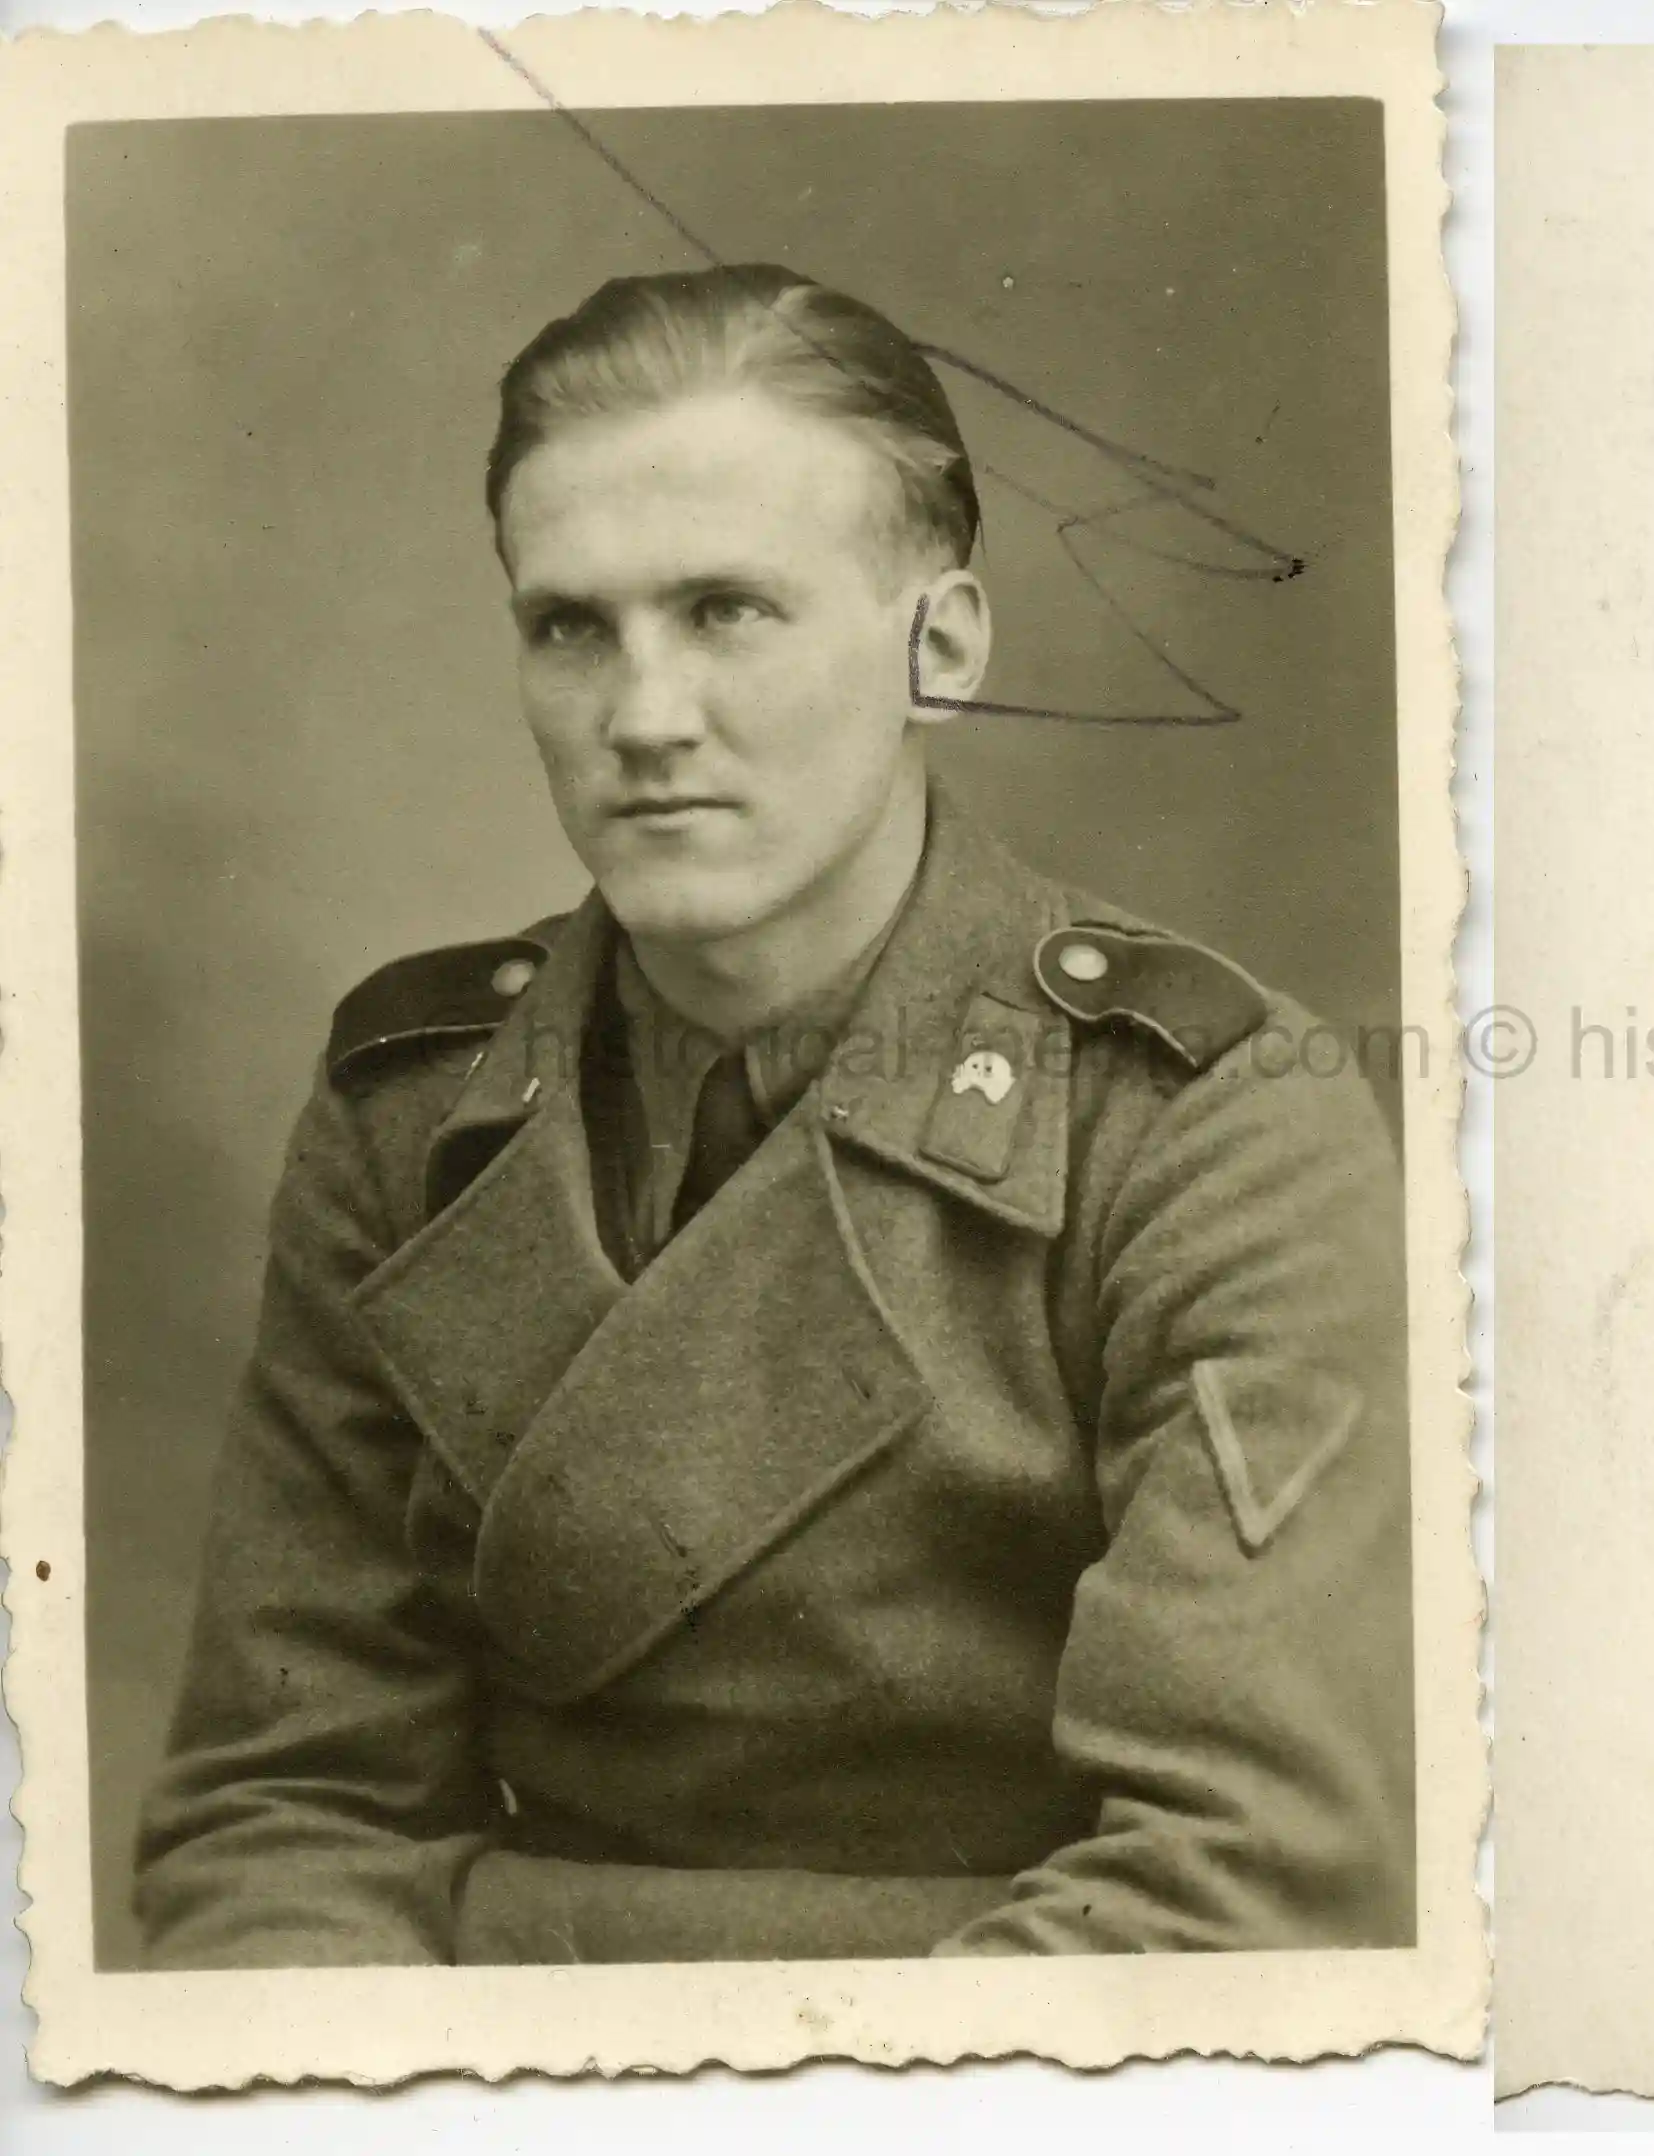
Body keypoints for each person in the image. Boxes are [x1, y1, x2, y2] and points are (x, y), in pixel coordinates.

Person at [132, 264, 1415, 1965]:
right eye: (570, 627)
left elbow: (1239, 1892)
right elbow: (280, 1825)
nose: (643, 718)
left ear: (940, 648)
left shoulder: (1200, 1128)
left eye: (728, 611)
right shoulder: (414, 1115)